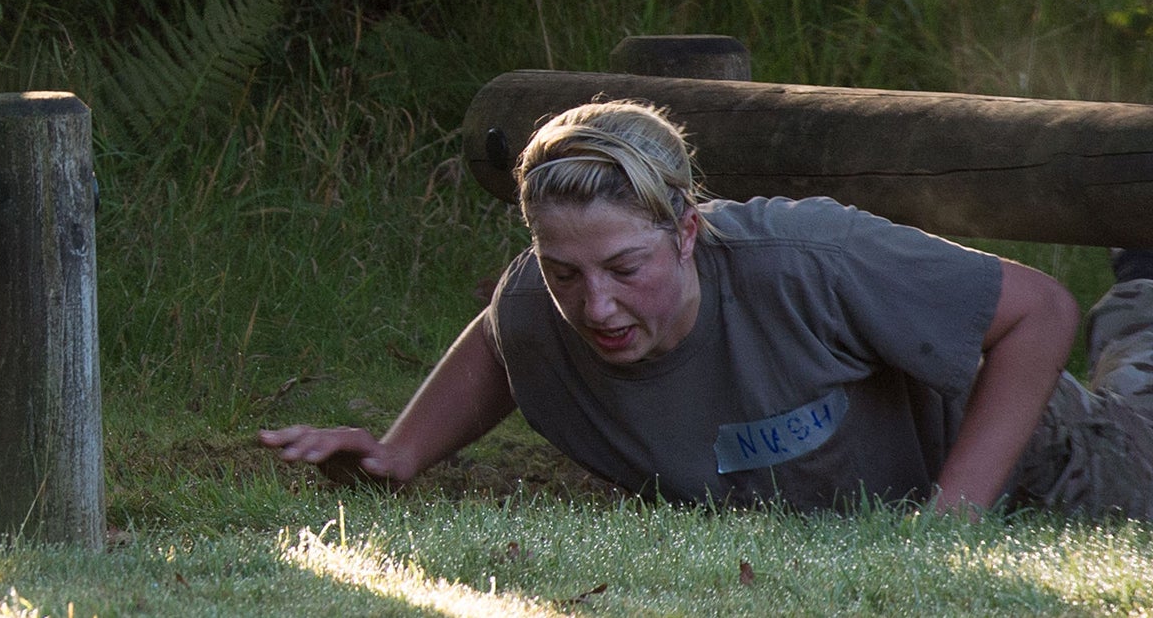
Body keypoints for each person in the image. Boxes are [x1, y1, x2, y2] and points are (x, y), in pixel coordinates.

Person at [262, 99, 1153, 517]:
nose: (596, 304)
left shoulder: (806, 258)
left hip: (1045, 459)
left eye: (623, 267)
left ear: (688, 232)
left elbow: (1037, 310)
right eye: (565, 271)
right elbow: (505, 336)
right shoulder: (544, 299)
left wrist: (954, 515)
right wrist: (401, 451)